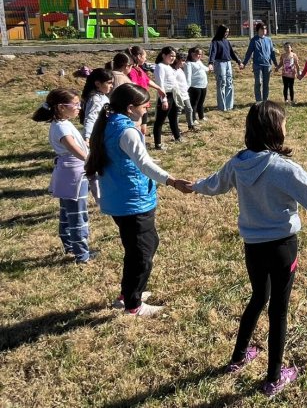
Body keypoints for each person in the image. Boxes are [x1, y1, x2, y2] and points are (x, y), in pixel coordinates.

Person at [181, 101, 307, 397]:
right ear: (274, 129)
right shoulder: (285, 169)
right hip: (283, 248)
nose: (286, 126)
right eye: (283, 122)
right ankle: (273, 378)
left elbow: (214, 184)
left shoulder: (238, 162)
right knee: (279, 310)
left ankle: (238, 357)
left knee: (259, 297)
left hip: (253, 248)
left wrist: (193, 186)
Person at [84, 83, 190, 316]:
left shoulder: (111, 124)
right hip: (132, 201)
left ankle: (130, 292)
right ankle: (133, 305)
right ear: (130, 108)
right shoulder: (127, 132)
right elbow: (145, 164)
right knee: (142, 253)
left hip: (120, 199)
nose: (147, 110)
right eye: (145, 106)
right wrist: (172, 181)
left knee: (143, 246)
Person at [33, 89, 94, 264]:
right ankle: (82, 255)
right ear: (61, 107)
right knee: (77, 214)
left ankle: (71, 246)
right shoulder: (61, 128)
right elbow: (79, 153)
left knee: (67, 213)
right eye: (75, 104)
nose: (79, 108)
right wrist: (94, 162)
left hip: (69, 173)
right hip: (74, 176)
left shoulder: (63, 123)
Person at [208, 24, 243, 111]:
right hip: (219, 63)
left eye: (228, 32)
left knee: (229, 83)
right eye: (225, 32)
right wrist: (211, 63)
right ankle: (222, 106)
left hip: (228, 63)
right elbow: (213, 53)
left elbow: (232, 53)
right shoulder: (215, 41)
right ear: (221, 31)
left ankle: (229, 105)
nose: (227, 33)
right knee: (222, 83)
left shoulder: (227, 41)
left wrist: (238, 61)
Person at [153, 47, 182, 150]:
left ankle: (177, 137)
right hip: (165, 95)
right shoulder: (160, 67)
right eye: (171, 56)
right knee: (160, 121)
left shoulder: (168, 66)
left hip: (172, 95)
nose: (173, 58)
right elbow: (160, 84)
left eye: (174, 56)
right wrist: (163, 100)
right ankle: (158, 144)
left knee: (173, 118)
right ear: (164, 55)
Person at [243, 22, 278, 102]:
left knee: (266, 84)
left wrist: (276, 64)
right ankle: (258, 101)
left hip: (267, 65)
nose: (265, 30)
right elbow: (249, 53)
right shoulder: (254, 40)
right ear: (258, 30)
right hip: (257, 65)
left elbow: (272, 53)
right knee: (258, 82)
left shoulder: (269, 40)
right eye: (263, 29)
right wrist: (244, 63)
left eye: (265, 28)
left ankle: (265, 100)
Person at [80, 67, 114, 143]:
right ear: (98, 84)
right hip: (96, 135)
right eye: (109, 83)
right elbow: (91, 118)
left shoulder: (103, 97)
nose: (111, 86)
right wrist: (87, 136)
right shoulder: (95, 99)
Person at [171, 52, 196, 132]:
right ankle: (176, 127)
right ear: (177, 60)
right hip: (178, 94)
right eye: (182, 60)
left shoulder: (180, 70)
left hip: (184, 93)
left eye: (185, 60)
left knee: (189, 109)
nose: (184, 62)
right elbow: (173, 83)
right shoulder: (172, 71)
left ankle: (191, 125)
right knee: (178, 111)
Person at [186, 47, 209, 123]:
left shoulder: (198, 61)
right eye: (198, 54)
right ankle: (193, 118)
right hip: (195, 86)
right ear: (192, 54)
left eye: (200, 54)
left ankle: (201, 116)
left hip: (203, 85)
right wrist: (187, 87)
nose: (199, 56)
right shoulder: (189, 64)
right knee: (194, 103)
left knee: (201, 102)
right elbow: (188, 76)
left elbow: (205, 68)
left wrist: (209, 68)